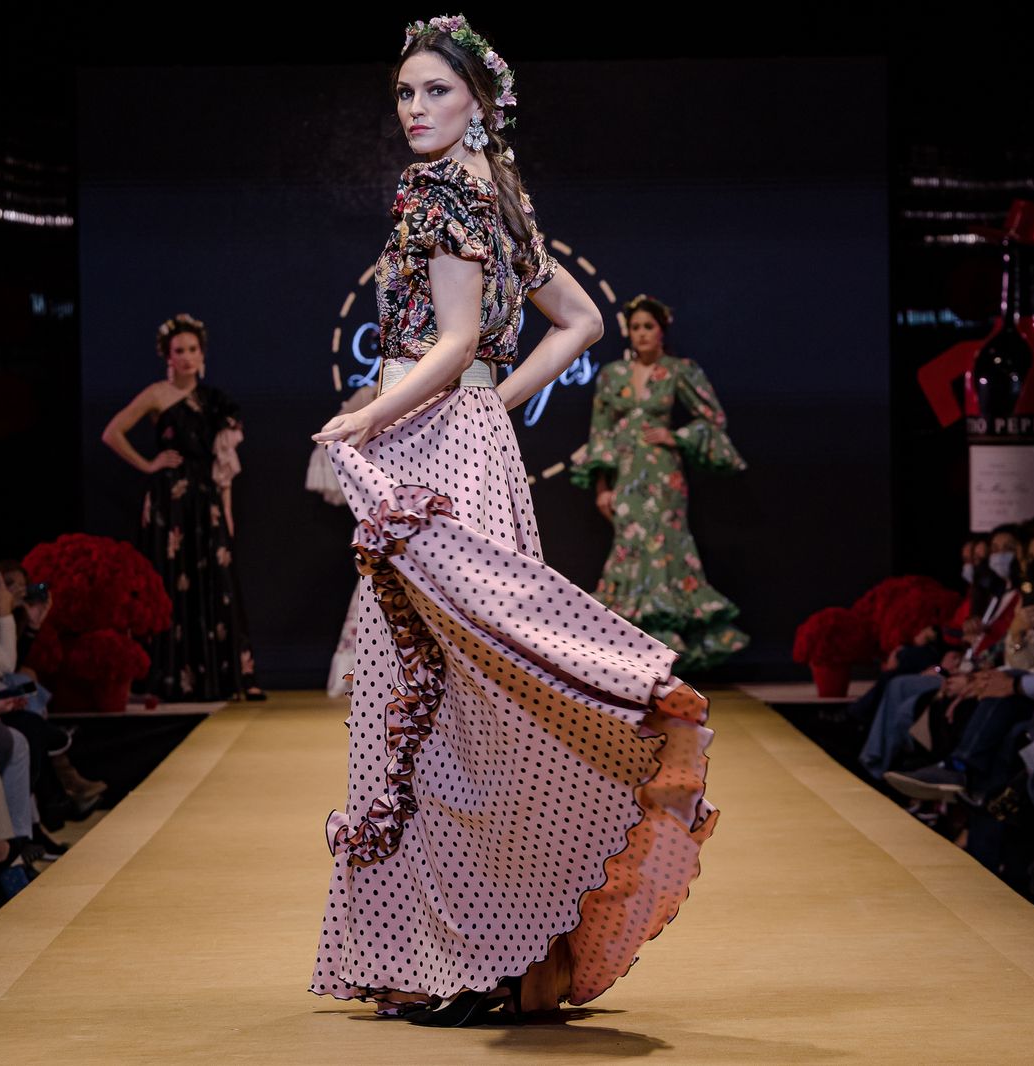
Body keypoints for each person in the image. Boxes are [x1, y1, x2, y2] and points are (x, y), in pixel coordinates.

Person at [309, 16, 716, 1026]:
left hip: (429, 448)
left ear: (477, 103)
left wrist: (369, 412)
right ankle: (491, 950)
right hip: (467, 447)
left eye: (434, 93)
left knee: (436, 701)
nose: (415, 110)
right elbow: (573, 322)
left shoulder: (446, 193)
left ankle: (463, 954)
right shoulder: (499, 195)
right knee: (480, 705)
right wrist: (493, 399)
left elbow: (448, 339)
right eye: (404, 94)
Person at [570, 293, 748, 671]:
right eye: (635, 327)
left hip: (664, 478)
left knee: (665, 554)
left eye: (648, 326)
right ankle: (630, 661)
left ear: (661, 330)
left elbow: (712, 418)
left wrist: (677, 437)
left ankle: (668, 664)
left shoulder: (678, 370)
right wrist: (602, 488)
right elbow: (600, 433)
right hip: (627, 477)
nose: (641, 334)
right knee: (629, 553)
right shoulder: (612, 375)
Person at [101, 314, 265, 701]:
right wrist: (148, 464)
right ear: (167, 356)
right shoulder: (157, 394)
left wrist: (226, 510)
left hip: (206, 498)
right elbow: (112, 433)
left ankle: (224, 679)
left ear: (201, 353)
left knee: (214, 585)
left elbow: (222, 464)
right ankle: (170, 678)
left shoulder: (215, 401)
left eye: (193, 350)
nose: (187, 357)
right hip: (169, 502)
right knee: (171, 581)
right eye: (180, 351)